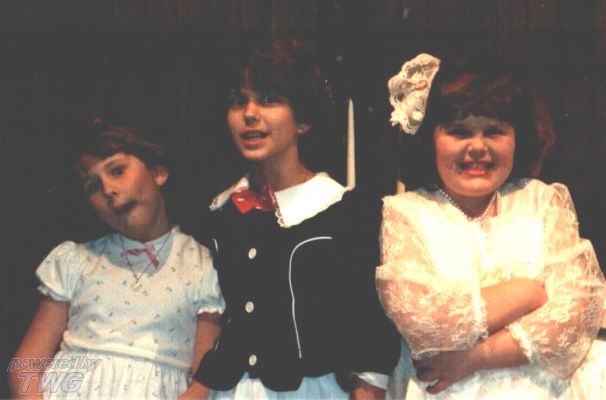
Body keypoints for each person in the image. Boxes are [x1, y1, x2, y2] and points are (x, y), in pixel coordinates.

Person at [376, 53, 606, 399]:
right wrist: (527, 293)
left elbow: (577, 312)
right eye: (459, 132)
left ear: (518, 138)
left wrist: (475, 358)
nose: (478, 147)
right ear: (428, 140)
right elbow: (424, 320)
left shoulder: (543, 200)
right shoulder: (406, 212)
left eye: (495, 132)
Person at [181, 38, 400, 400]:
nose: (250, 113)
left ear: (304, 119)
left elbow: (368, 327)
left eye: (269, 99)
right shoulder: (222, 213)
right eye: (238, 100)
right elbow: (222, 319)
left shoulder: (345, 210)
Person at [9, 123, 225, 399]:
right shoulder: (76, 261)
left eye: (117, 171)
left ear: (158, 172)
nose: (108, 189)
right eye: (93, 186)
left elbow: (204, 383)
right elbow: (25, 366)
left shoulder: (203, 265)